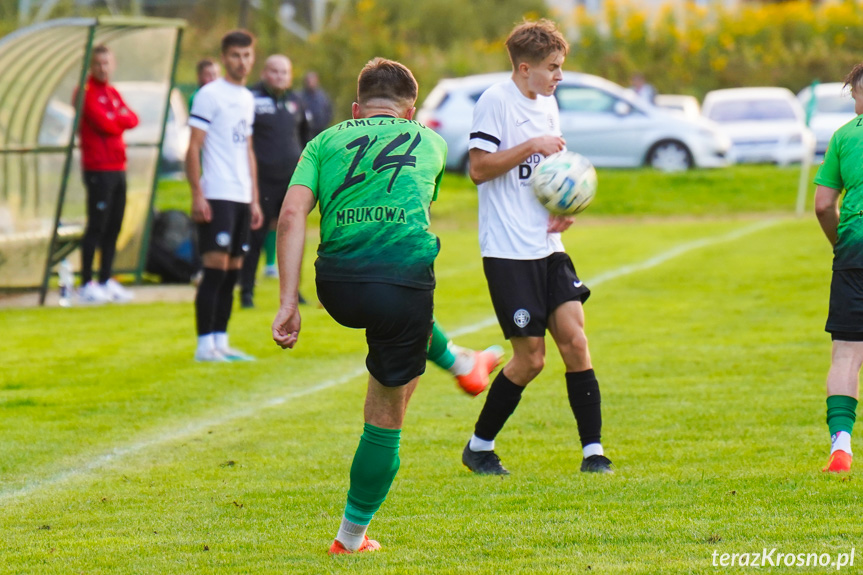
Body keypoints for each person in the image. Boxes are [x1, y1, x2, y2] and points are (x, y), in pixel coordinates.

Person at [272, 57, 449, 554]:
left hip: (336, 286)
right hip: (401, 282)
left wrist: (289, 302)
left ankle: (460, 361)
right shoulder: (431, 142)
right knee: (388, 412)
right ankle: (350, 539)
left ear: (356, 107)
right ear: (411, 112)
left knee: (395, 338)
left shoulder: (324, 140)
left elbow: (290, 215)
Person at [460, 19, 613, 475]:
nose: (559, 76)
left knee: (576, 342)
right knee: (531, 360)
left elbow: (551, 169)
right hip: (508, 251)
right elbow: (479, 169)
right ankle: (479, 447)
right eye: (553, 67)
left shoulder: (549, 104)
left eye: (560, 67)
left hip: (548, 245)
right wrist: (532, 144)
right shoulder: (495, 102)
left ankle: (594, 454)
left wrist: (565, 204)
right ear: (525, 68)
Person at [186, 30, 263, 362]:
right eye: (235, 55)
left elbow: (246, 149)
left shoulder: (246, 97)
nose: (241, 62)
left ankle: (221, 340)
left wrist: (255, 199)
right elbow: (193, 147)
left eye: (247, 55)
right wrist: (197, 194)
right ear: (224, 57)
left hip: (242, 196)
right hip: (216, 193)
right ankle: (204, 345)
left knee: (234, 271)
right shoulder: (209, 95)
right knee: (215, 269)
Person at [813, 62, 863, 473]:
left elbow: (823, 204)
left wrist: (840, 245)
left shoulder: (845, 137)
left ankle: (841, 447)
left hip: (854, 251)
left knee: (846, 355)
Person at [239, 54, 310, 309]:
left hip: (291, 180)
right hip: (261, 181)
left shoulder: (296, 101)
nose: (280, 76)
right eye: (275, 71)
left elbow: (304, 138)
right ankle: (246, 292)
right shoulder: (251, 99)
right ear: (264, 73)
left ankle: (295, 291)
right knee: (255, 236)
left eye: (285, 72)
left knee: (293, 233)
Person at [77, 44, 139, 304]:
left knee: (114, 226)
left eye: (106, 63)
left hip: (118, 168)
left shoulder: (112, 92)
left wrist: (117, 117)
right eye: (98, 64)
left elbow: (132, 119)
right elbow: (106, 124)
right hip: (98, 169)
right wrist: (117, 118)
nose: (103, 68)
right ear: (91, 66)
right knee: (97, 226)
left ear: (112, 65)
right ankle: (86, 283)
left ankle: (105, 280)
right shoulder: (86, 93)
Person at [300, 71, 333, 138]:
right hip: (306, 133)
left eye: (312, 80)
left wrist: (324, 123)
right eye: (308, 81)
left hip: (321, 130)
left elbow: (329, 111)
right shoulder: (300, 97)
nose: (310, 82)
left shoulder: (323, 96)